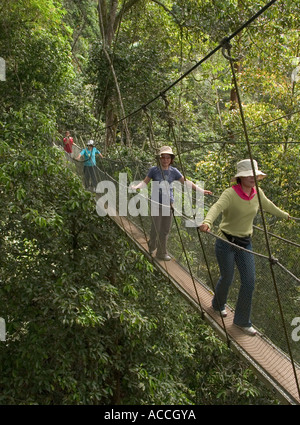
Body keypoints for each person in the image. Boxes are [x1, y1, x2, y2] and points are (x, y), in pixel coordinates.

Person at [199, 159, 290, 336]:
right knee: (227, 277)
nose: (252, 177)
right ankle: (218, 305)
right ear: (240, 177)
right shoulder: (230, 194)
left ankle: (241, 321)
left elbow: (269, 206)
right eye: (248, 175)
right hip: (226, 242)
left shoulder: (258, 193)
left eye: (254, 174)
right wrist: (207, 222)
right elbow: (217, 207)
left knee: (249, 281)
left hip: (245, 243)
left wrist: (286, 216)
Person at [131, 146, 212, 261]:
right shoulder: (154, 170)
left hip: (169, 204)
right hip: (155, 203)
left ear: (171, 159)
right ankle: (152, 244)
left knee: (165, 229)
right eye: (163, 157)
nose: (165, 160)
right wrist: (136, 187)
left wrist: (201, 190)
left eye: (168, 158)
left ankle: (161, 253)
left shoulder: (174, 171)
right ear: (160, 159)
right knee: (156, 227)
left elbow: (186, 182)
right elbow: (145, 182)